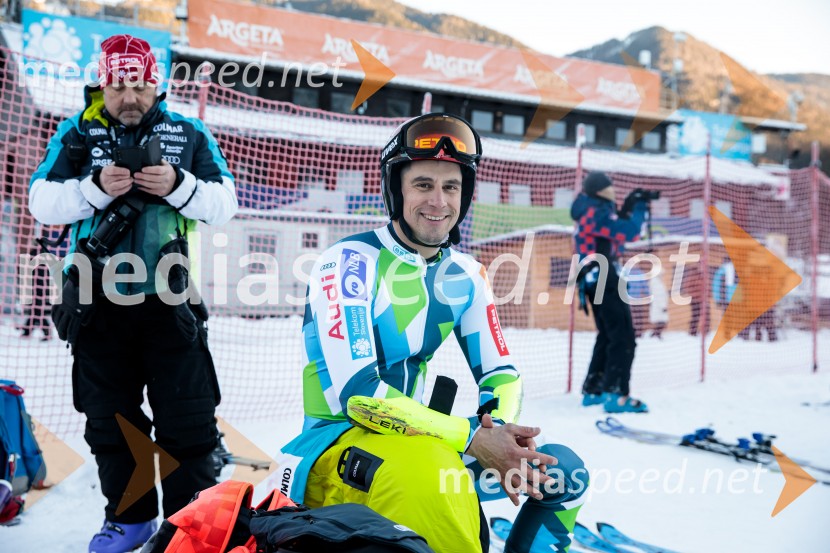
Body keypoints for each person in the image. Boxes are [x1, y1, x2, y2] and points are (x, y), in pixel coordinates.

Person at [279, 113, 588, 553]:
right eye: (423, 185)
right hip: (331, 446)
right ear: (396, 191)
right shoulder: (348, 261)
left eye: (451, 187)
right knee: (430, 474)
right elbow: (361, 396)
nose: (439, 202)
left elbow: (502, 373)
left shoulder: (468, 274)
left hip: (420, 441)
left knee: (563, 471)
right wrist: (472, 438)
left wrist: (498, 431)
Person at [28, 35, 237, 553]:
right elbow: (41, 201)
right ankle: (131, 521)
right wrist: (93, 188)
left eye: (140, 84)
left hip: (170, 304)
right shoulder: (75, 133)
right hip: (98, 306)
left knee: (187, 422)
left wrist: (178, 186)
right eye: (119, 84)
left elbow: (226, 202)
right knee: (112, 422)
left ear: (156, 84)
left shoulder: (188, 133)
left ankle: (187, 529)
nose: (129, 96)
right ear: (103, 82)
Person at [572, 172, 649, 413]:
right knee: (624, 337)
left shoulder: (593, 210)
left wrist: (628, 205)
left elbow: (615, 232)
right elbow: (630, 232)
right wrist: (639, 207)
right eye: (610, 187)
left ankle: (594, 389)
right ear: (601, 191)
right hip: (604, 279)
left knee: (608, 335)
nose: (613, 190)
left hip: (595, 279)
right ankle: (616, 394)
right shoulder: (596, 212)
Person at [19, 246, 52, 341]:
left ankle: (42, 331)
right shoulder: (43, 256)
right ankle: (28, 330)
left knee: (37, 311)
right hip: (39, 288)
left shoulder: (36, 255)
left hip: (38, 288)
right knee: (35, 311)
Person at [681, 264, 709, 336]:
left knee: (706, 316)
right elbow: (686, 287)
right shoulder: (692, 276)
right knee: (695, 316)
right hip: (695, 300)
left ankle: (706, 331)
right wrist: (695, 294)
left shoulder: (703, 276)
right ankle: (692, 332)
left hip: (703, 300)